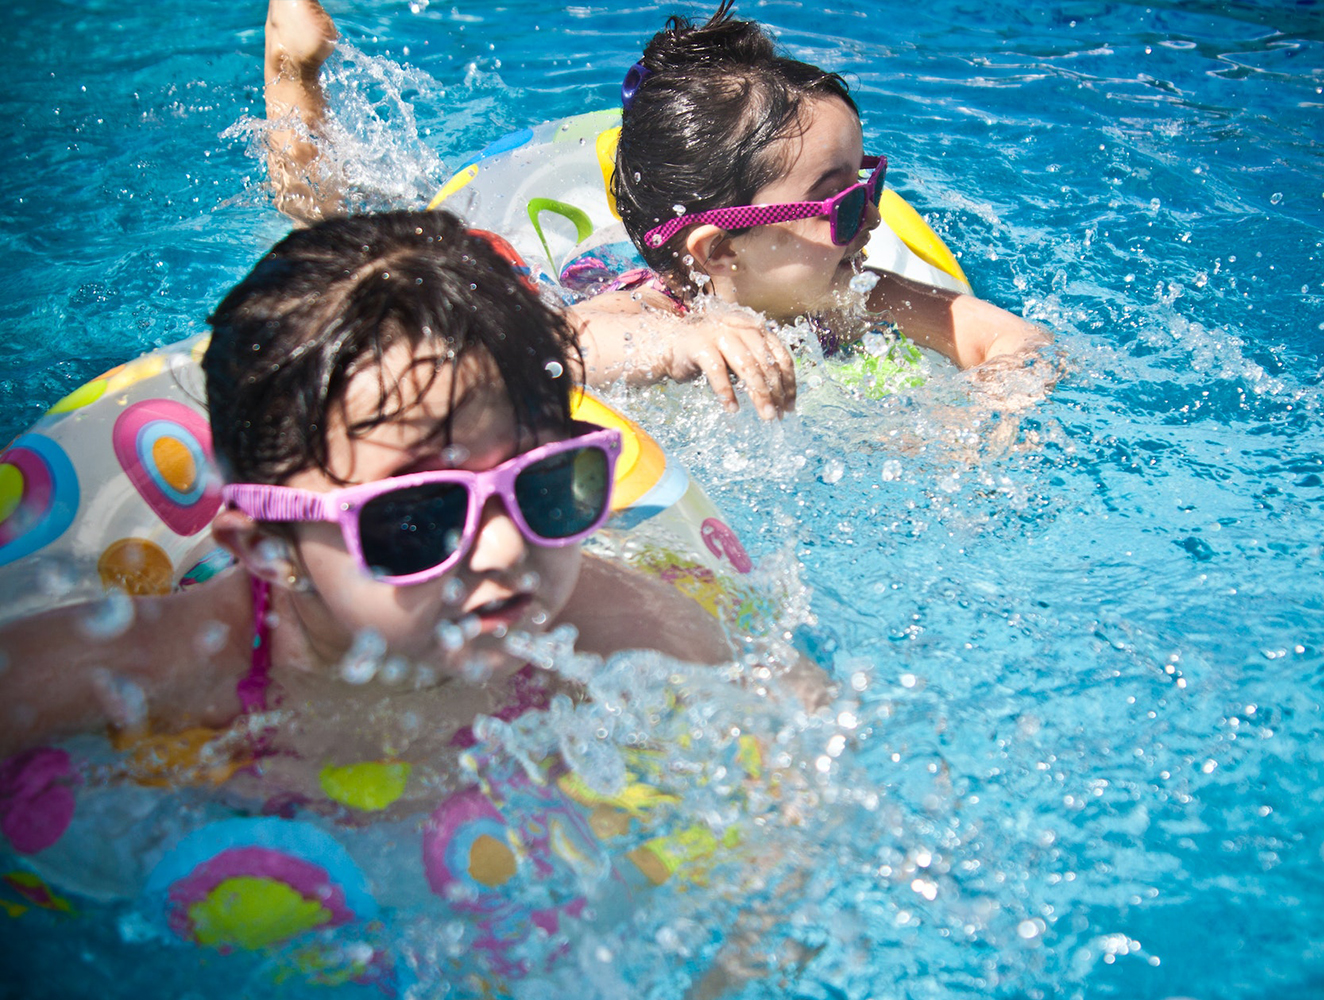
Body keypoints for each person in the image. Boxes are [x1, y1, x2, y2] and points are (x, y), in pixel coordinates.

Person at [0, 210, 730, 765]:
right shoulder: (166, 668)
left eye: (543, 486)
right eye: (418, 517)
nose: (508, 547)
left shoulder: (608, 627)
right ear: (268, 545)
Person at [261, 0, 1051, 422]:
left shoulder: (858, 295)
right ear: (717, 253)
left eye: (868, 187)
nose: (871, 222)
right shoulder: (646, 308)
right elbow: (553, 354)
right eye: (838, 206)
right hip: (560, 279)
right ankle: (293, 71)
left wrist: (999, 403)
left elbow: (1004, 336)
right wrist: (680, 339)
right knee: (343, 244)